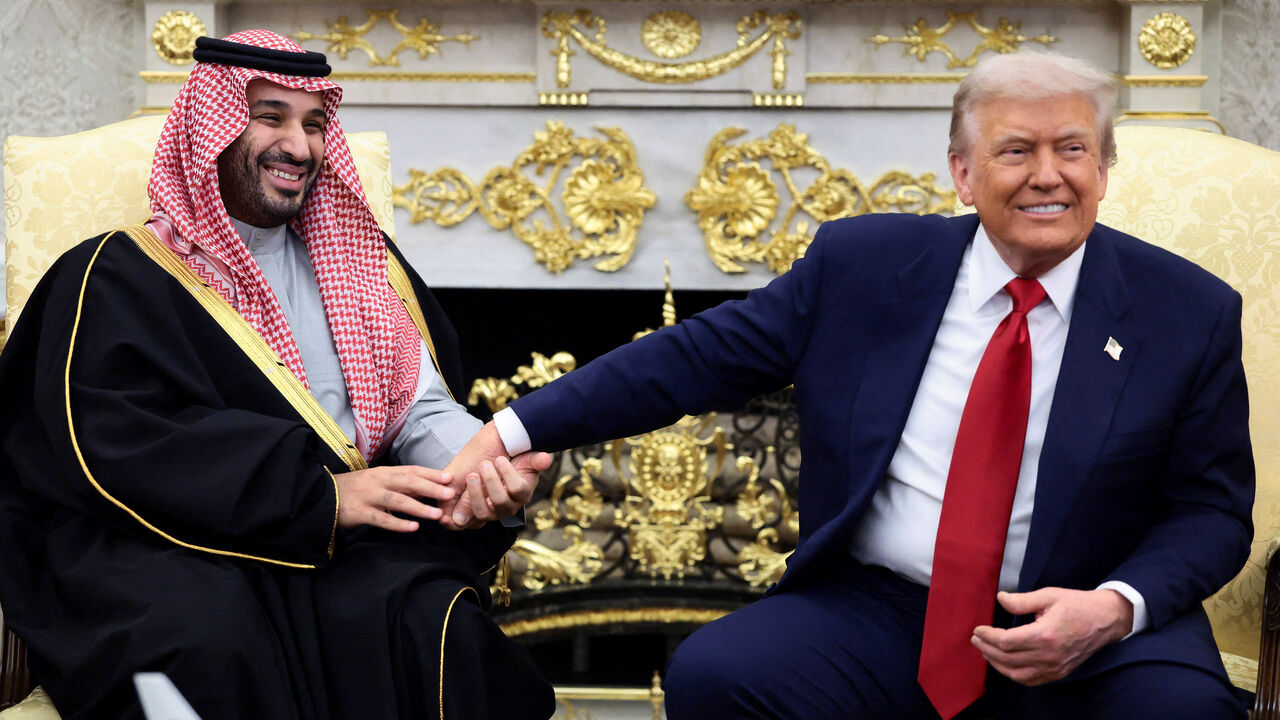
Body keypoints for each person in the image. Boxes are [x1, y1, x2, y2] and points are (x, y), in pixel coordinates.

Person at [444, 52, 1254, 719]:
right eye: (1017, 151)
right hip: (890, 610)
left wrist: (1115, 606)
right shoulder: (863, 268)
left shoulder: (1186, 312)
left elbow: (1213, 510)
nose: (1049, 175)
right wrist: (513, 429)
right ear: (963, 174)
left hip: (1097, 629)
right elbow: (690, 358)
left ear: (1105, 170)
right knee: (718, 674)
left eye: (1073, 149)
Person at [0, 30, 554, 720]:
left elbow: (415, 409)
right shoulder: (112, 276)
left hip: (338, 552)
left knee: (434, 625)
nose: (300, 145)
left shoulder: (360, 262)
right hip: (166, 543)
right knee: (204, 640)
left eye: (315, 123)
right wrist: (318, 498)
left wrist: (477, 465)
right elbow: (116, 445)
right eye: (271, 117)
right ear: (212, 129)